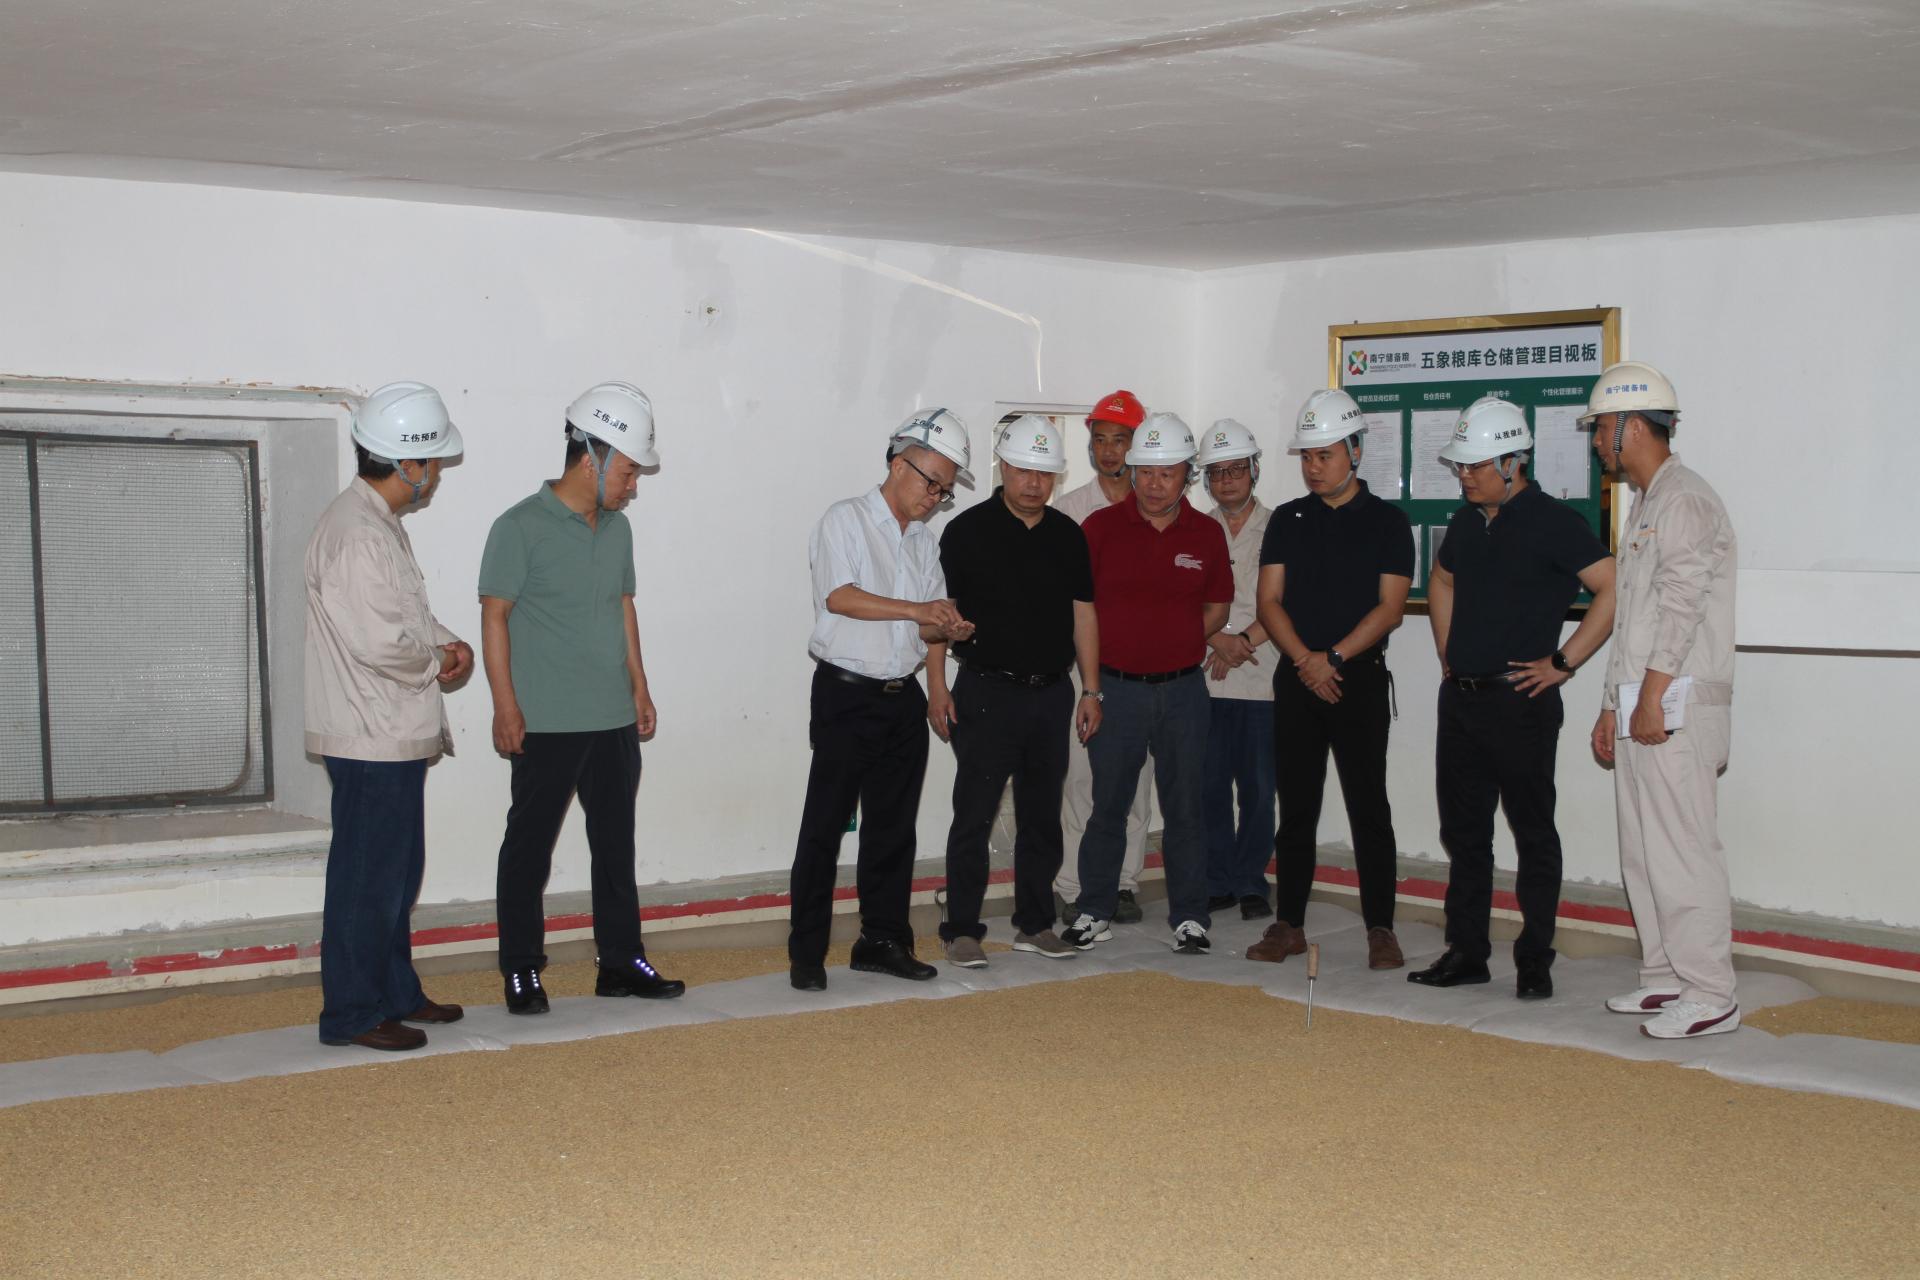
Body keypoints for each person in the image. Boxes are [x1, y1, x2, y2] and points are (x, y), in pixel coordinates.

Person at [479, 381, 683, 1014]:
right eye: (628, 472)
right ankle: (521, 968)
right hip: (545, 722)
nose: (633, 486)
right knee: (528, 849)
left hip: (611, 718)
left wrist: (639, 685)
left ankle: (620, 961)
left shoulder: (618, 530)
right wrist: (505, 706)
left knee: (615, 846)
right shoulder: (519, 527)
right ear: (593, 458)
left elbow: (623, 606)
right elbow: (494, 616)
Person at [1412, 395, 1616, 1000]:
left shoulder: (1554, 521)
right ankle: (1466, 952)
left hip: (1520, 703)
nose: (1464, 475)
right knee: (1464, 834)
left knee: (1533, 833)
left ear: (1512, 462)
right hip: (1463, 702)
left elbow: (1612, 589)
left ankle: (1534, 960)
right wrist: (1447, 651)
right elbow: (1442, 578)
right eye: (1460, 465)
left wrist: (1563, 663)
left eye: (1475, 465)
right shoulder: (1467, 521)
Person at [304, 381, 472, 1051]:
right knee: (367, 881)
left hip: (387, 732)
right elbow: (380, 644)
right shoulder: (356, 532)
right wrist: (438, 660)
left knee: (394, 877)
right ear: (408, 463)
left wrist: (447, 643)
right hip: (370, 733)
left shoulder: (374, 524)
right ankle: (352, 1012)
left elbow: (402, 618)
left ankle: (395, 992)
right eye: (433, 462)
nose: (436, 475)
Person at [788, 408, 977, 992]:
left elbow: (929, 624)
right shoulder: (844, 519)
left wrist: (944, 642)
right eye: (932, 484)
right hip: (846, 693)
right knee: (825, 826)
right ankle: (807, 952)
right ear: (899, 464)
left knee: (894, 829)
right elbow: (840, 597)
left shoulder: (923, 542)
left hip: (903, 698)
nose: (935, 499)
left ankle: (883, 941)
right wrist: (919, 610)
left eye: (945, 491)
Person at [1583, 363, 1741, 1039]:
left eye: (1601, 429)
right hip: (1644, 701)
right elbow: (1633, 623)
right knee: (1644, 851)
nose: (1596, 442)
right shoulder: (1648, 501)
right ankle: (1667, 976)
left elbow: (1681, 609)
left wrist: (1650, 698)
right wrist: (1610, 706)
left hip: (1677, 702)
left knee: (1682, 850)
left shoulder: (1686, 500)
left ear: (1631, 426)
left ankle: (1711, 993)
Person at [926, 416, 1102, 967]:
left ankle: (1035, 923)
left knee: (1042, 816)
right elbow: (939, 614)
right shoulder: (966, 531)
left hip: (1051, 695)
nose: (1034, 482)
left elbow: (1084, 614)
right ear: (1002, 466)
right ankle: (961, 929)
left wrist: (1091, 690)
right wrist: (937, 686)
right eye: (1024, 469)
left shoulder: (1068, 535)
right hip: (985, 693)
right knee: (974, 814)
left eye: (1045, 473)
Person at [1248, 390, 1414, 970]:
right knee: (1296, 806)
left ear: (1355, 451)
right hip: (1299, 679)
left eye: (1325, 455)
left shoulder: (1389, 522)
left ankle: (1381, 928)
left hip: (1358, 680)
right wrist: (1306, 661)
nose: (1314, 467)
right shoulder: (1288, 520)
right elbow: (1269, 601)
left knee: (1370, 808)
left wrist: (1334, 658)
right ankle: (1288, 923)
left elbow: (1391, 608)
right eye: (1307, 456)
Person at [1064, 413, 1234, 955]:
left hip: (1184, 692)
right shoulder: (1099, 529)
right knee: (1108, 806)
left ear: (1187, 475)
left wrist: (1176, 639)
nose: (1154, 484)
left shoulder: (1206, 533)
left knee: (1185, 808)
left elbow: (1218, 606)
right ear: (1132, 471)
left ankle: (1190, 917)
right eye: (1146, 472)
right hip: (1116, 691)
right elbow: (1082, 611)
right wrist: (1091, 689)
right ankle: (1094, 908)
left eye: (1167, 473)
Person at [1053, 390, 1154, 925]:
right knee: (1081, 780)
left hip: (1142, 669)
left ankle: (1124, 883)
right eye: (1100, 440)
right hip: (1083, 668)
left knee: (1136, 780)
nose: (1109, 450)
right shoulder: (1070, 511)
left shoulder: (1157, 506)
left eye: (1120, 440)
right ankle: (1072, 884)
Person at [1192, 419, 1280, 921]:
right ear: (1206, 479)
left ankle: (1250, 881)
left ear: (1254, 470)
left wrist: (1241, 642)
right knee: (1208, 787)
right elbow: (1179, 600)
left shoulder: (1280, 527)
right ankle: (1217, 880)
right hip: (1204, 675)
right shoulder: (1194, 529)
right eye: (1216, 472)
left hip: (1261, 674)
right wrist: (1215, 639)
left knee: (1259, 789)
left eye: (1236, 470)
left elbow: (1286, 601)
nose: (1226, 480)